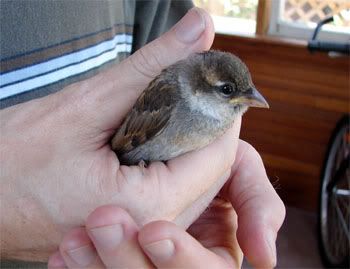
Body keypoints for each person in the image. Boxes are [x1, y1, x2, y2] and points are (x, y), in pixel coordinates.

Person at [0, 1, 285, 268]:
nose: (251, 99)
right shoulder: (170, 97)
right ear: (199, 88)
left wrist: (214, 179)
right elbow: (124, 143)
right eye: (227, 92)